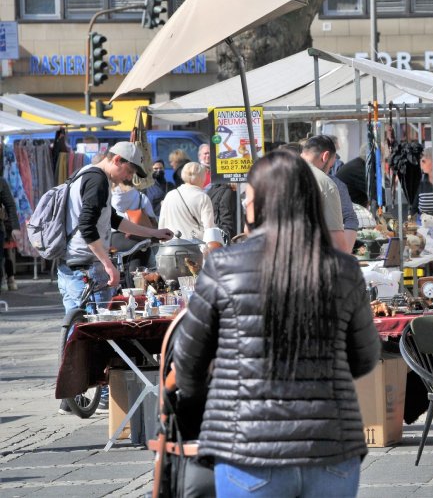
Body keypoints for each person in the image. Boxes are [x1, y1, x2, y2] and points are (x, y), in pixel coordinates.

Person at [173, 150, 380, 496]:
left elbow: (188, 360)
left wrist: (208, 399)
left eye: (248, 199)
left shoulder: (223, 267)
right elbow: (365, 357)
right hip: (330, 445)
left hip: (247, 449)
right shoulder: (342, 269)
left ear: (261, 203)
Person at [58, 142, 173, 315]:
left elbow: (113, 219)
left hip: (70, 263)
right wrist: (108, 265)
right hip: (85, 266)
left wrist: (153, 233)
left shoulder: (84, 173)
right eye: (129, 171)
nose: (128, 178)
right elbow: (86, 225)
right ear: (118, 160)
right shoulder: (98, 181)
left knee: (76, 328)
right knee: (95, 327)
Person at [300, 135, 348, 252]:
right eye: (330, 167)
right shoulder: (325, 183)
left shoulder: (275, 173)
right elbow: (337, 241)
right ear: (325, 156)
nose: (329, 171)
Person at [158, 162, 215, 241]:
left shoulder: (170, 195)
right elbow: (209, 228)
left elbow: (162, 224)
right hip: (195, 248)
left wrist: (162, 244)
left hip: (171, 246)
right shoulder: (203, 198)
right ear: (202, 178)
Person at [0, 176, 21, 291]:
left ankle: (8, 278)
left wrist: (15, 227)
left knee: (4, 257)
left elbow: (10, 205)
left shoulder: (1, 181)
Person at [412, 147, 433, 218]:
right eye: (420, 161)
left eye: (424, 161)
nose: (421, 164)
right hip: (423, 226)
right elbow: (414, 209)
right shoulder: (420, 182)